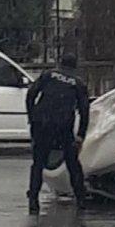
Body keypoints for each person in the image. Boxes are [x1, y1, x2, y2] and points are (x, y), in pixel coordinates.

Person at [26, 52, 90, 214]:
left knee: (38, 163)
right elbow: (84, 111)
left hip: (42, 123)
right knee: (72, 163)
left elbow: (31, 94)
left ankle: (33, 200)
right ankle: (81, 199)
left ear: (60, 64)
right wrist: (81, 135)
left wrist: (32, 117)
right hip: (63, 127)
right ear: (75, 67)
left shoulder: (48, 75)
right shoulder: (78, 83)